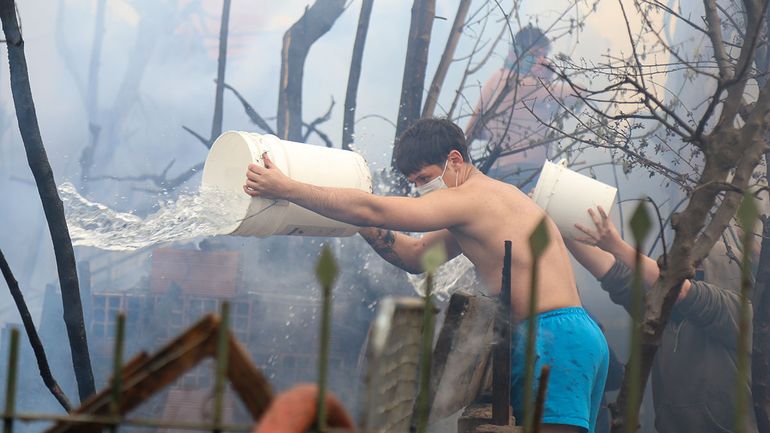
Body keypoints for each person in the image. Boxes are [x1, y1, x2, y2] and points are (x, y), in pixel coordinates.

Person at [244, 118, 609, 433]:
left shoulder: (472, 199)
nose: (420, 189)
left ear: (455, 160)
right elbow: (417, 256)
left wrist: (287, 188)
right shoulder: (485, 205)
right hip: (568, 336)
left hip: (555, 340)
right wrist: (355, 223)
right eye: (414, 182)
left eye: (425, 178)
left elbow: (372, 208)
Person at [566, 206, 758, 433]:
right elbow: (612, 273)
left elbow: (684, 290)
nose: (687, 272)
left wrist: (615, 245)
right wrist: (561, 228)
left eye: (697, 271)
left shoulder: (739, 313)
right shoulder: (659, 310)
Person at [465, 26, 576, 190]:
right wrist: (546, 78)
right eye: (536, 55)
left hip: (498, 171)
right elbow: (576, 94)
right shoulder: (522, 83)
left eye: (544, 56)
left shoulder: (497, 78)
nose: (542, 61)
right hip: (522, 174)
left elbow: (473, 130)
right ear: (516, 53)